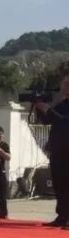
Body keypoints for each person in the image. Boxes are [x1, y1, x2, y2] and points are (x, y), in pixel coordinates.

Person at [34, 77, 69, 228]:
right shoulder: (63, 104)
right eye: (64, 85)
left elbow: (65, 121)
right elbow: (48, 120)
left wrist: (49, 109)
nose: (64, 88)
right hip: (57, 150)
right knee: (59, 183)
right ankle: (62, 215)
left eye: (67, 85)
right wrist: (39, 107)